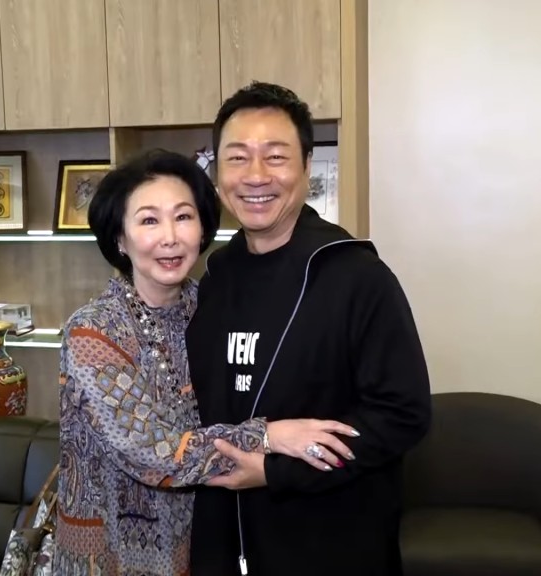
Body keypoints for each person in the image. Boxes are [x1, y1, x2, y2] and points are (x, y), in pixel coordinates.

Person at [53, 149, 359, 576]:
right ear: (120, 239)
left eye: (183, 217)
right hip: (111, 551)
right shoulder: (94, 332)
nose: (170, 237)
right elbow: (150, 452)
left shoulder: (214, 305)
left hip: (203, 540)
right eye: (148, 221)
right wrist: (268, 436)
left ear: (202, 230)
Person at [184, 82, 433, 576]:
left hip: (331, 542)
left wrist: (276, 471)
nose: (256, 175)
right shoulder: (213, 277)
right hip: (224, 538)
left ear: (306, 166)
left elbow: (403, 414)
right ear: (217, 173)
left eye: (275, 157)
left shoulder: (356, 276)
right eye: (237, 158)